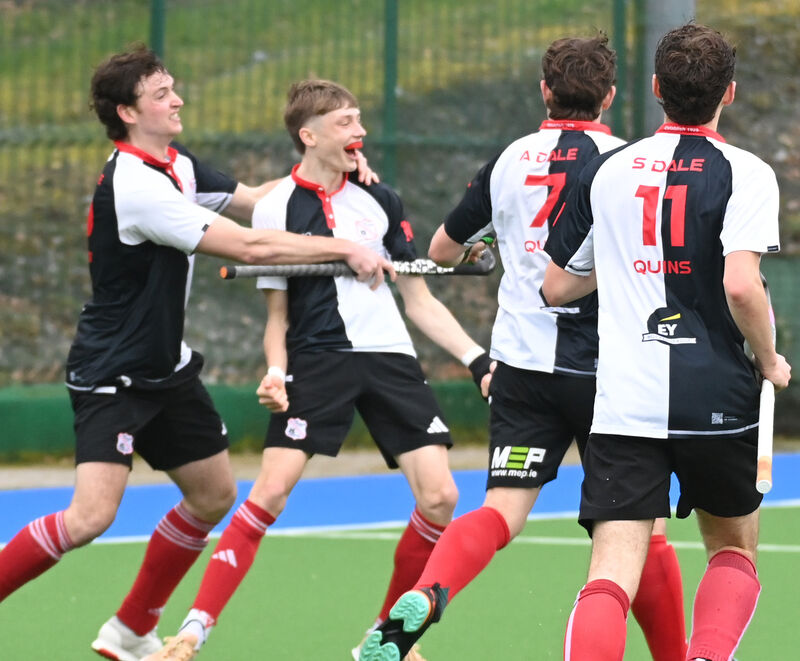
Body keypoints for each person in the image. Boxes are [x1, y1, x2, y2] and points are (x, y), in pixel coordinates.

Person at [0, 45, 393, 661]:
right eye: (161, 94)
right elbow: (250, 246)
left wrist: (334, 173)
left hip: (168, 369)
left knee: (212, 495)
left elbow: (260, 200)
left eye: (173, 88)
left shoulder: (176, 166)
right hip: (114, 375)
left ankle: (130, 630)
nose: (177, 99)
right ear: (128, 113)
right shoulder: (135, 185)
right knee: (89, 517)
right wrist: (343, 247)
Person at [359, 34, 689, 661]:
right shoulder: (629, 161)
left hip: (522, 368)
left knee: (500, 513)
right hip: (609, 376)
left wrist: (486, 252)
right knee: (640, 535)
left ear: (545, 91)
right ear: (611, 96)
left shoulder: (510, 160)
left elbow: (441, 252)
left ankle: (428, 594)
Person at [142, 78, 493, 661]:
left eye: (359, 121)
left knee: (440, 496)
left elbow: (420, 301)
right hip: (318, 356)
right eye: (346, 123)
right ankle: (193, 631)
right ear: (309, 136)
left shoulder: (382, 200)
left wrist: (477, 359)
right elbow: (276, 314)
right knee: (271, 492)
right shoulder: (277, 205)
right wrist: (276, 371)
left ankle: (386, 639)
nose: (360, 133)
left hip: (388, 355)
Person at [540, 24, 791, 661]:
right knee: (732, 553)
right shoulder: (748, 173)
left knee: (608, 576)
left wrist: (629, 260)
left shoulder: (606, 169)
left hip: (625, 401)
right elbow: (741, 285)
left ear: (655, 89)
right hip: (717, 395)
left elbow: (556, 288)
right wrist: (769, 359)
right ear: (728, 93)